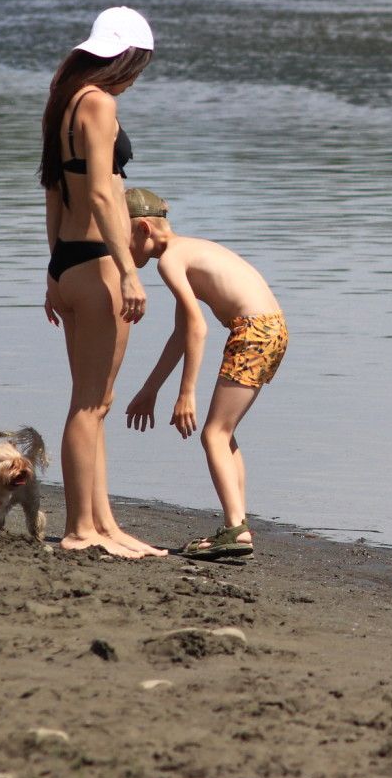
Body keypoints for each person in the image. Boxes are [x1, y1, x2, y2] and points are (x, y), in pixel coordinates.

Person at [38, 6, 166, 559]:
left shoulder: (64, 102)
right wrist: (130, 272)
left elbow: (52, 193)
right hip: (96, 265)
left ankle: (103, 523)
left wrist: (52, 270)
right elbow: (99, 194)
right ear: (126, 58)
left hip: (70, 261)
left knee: (98, 403)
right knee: (89, 406)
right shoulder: (99, 102)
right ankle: (78, 530)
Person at [120, 187, 288, 560]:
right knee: (224, 434)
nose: (123, 255)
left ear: (144, 228)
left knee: (213, 433)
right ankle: (238, 523)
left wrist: (186, 393)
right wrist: (150, 389)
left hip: (253, 330)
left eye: (122, 240)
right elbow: (181, 333)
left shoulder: (170, 262)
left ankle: (236, 531)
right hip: (272, 329)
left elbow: (197, 329)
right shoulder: (188, 251)